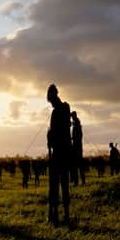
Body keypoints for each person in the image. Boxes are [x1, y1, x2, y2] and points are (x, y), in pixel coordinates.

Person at [46, 84, 71, 225]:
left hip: (58, 153)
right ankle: (66, 215)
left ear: (53, 97)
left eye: (50, 101)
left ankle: (53, 214)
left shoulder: (56, 113)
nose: (50, 104)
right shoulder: (67, 107)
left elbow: (54, 134)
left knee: (54, 184)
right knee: (65, 183)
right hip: (66, 152)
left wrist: (49, 136)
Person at [70, 111, 85, 186]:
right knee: (78, 166)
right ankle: (81, 181)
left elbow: (77, 136)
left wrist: (72, 138)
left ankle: (78, 182)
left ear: (74, 116)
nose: (71, 118)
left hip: (77, 147)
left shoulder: (77, 124)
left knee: (76, 165)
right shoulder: (76, 123)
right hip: (78, 146)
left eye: (72, 116)